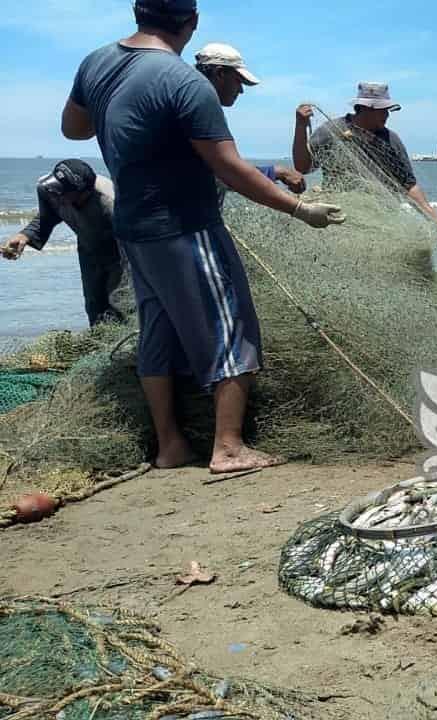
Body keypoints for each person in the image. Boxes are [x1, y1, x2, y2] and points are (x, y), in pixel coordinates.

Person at [62, 0, 346, 474]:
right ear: (191, 24)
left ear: (138, 13)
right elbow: (228, 167)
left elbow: (74, 128)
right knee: (232, 324)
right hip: (185, 227)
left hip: (133, 227)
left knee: (158, 331)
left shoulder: (96, 62)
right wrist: (300, 209)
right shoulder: (183, 82)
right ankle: (229, 448)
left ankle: (170, 446)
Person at [292, 83, 437, 227]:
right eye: (382, 110)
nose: (387, 115)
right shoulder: (331, 130)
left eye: (387, 110)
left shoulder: (391, 140)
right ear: (364, 108)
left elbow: (408, 185)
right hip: (340, 213)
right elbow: (303, 167)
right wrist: (300, 126)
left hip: (382, 216)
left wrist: (434, 217)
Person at [2, 159, 131, 326]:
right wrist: (24, 236)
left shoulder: (110, 202)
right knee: (94, 305)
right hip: (88, 248)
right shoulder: (47, 188)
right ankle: (100, 342)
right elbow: (47, 217)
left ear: (84, 193)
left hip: (120, 251)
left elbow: (133, 243)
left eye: (61, 192)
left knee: (121, 302)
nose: (55, 194)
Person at [193, 42, 307, 203]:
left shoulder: (192, 103)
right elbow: (226, 173)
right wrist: (277, 173)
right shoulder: (200, 110)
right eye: (238, 81)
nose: (241, 90)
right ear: (220, 74)